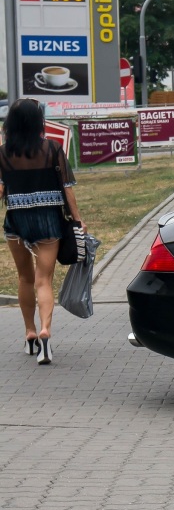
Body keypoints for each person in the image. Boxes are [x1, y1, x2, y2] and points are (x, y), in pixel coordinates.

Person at [0, 99, 85, 365]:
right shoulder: (53, 149)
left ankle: (30, 333)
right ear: (38, 122)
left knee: (24, 279)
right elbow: (67, 188)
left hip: (16, 220)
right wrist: (78, 220)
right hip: (49, 220)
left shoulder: (3, 153)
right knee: (43, 280)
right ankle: (47, 330)